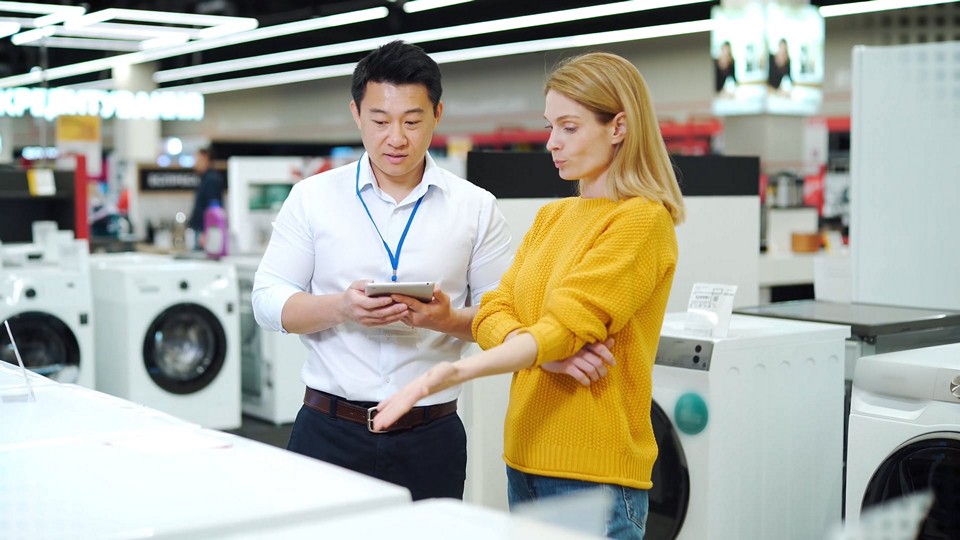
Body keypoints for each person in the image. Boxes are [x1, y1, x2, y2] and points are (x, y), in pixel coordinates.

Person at [373, 51, 686, 539]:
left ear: (619, 127)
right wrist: (537, 345)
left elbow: (565, 325)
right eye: (549, 127)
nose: (552, 143)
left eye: (569, 127)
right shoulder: (552, 218)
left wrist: (451, 372)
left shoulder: (642, 221)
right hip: (524, 459)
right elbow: (496, 310)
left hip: (595, 474)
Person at [250, 40, 515, 501]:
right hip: (328, 430)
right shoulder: (313, 198)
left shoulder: (475, 207)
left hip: (431, 435)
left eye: (412, 121)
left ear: (437, 114)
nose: (396, 138)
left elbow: (506, 317)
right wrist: (341, 307)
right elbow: (266, 301)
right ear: (356, 113)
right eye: (380, 121)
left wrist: (445, 319)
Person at [187, 146, 225, 249]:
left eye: (197, 159)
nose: (195, 164)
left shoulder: (212, 180)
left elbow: (214, 209)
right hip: (200, 230)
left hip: (204, 232)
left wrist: (206, 232)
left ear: (206, 158)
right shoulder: (205, 179)